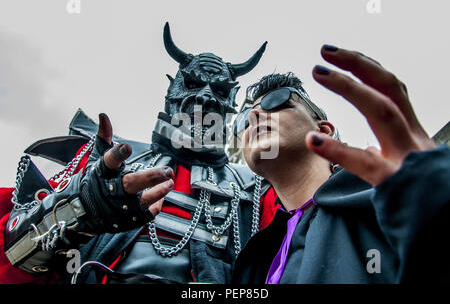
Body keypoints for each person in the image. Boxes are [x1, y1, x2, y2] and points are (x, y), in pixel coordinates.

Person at [0, 23, 276, 284]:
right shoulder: (105, 159)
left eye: (218, 90)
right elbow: (12, 256)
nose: (205, 97)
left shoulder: (256, 190)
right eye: (193, 84)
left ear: (231, 102)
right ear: (172, 90)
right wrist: (82, 206)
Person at [231, 45, 450, 283]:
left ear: (323, 130)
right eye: (244, 119)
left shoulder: (387, 201)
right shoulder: (253, 260)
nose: (254, 117)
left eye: (276, 102)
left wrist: (437, 199)